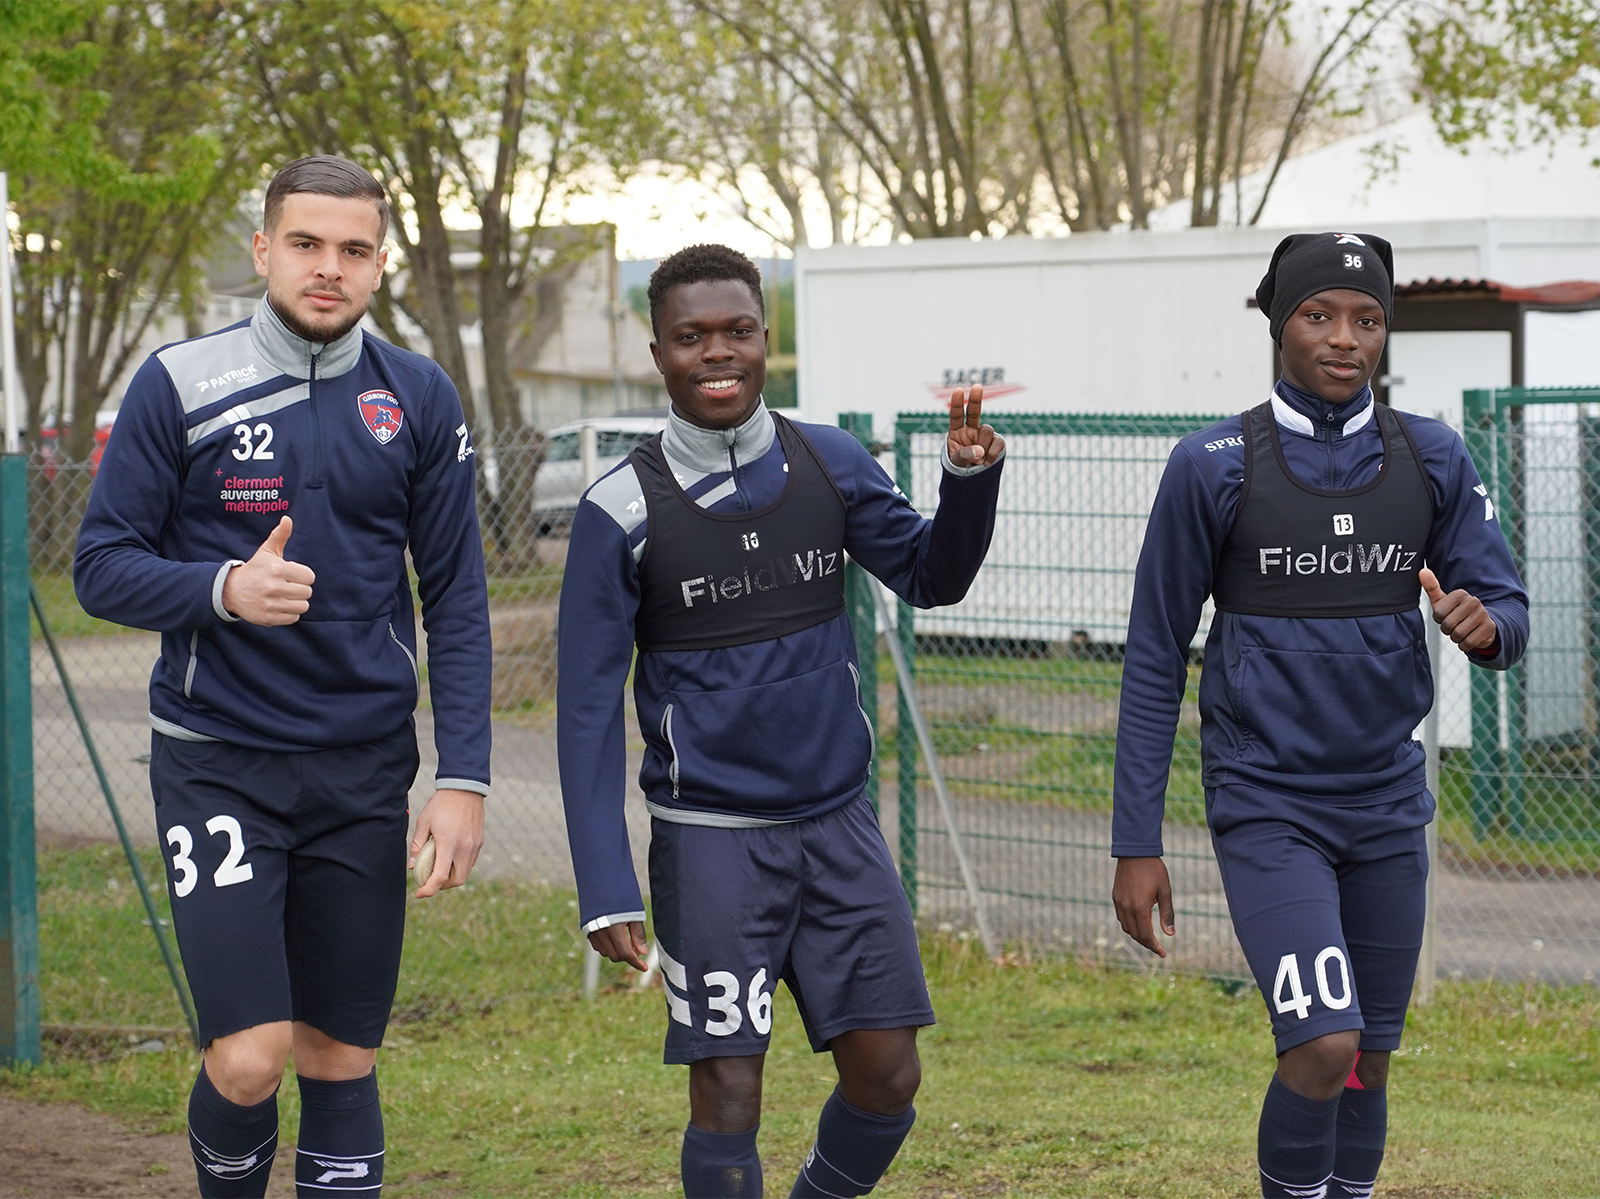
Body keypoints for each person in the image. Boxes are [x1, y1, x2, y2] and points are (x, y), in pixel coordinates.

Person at [74, 155, 492, 1198]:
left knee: (341, 1056)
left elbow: (459, 598)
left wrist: (464, 776)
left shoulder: (420, 396)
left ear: (379, 265)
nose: (327, 268)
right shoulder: (178, 383)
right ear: (264, 249)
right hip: (221, 763)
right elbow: (99, 564)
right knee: (251, 1057)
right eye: (305, 244)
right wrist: (220, 589)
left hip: (361, 772)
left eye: (353, 250)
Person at [558, 244, 1005, 1198]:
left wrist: (969, 485)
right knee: (728, 1095)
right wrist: (603, 879)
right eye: (691, 336)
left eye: (738, 332)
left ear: (767, 340)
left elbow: (935, 577)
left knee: (889, 1078)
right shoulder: (620, 508)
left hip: (839, 827)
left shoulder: (828, 460)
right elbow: (589, 710)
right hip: (712, 842)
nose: (716, 353)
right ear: (658, 351)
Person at [1110, 231, 1529, 1199]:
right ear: (1278, 324)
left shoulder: (1430, 456)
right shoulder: (1210, 464)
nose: (1344, 338)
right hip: (1268, 806)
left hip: (1386, 804)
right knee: (1319, 1041)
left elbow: (1506, 611)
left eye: (1366, 318)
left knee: (1366, 1059)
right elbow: (1150, 659)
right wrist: (1136, 838)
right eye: (1318, 315)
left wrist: (1483, 623)